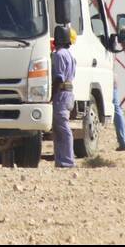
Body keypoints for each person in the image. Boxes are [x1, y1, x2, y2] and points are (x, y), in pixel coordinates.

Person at [51, 25, 76, 168]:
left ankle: (67, 161)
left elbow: (59, 78)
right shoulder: (70, 55)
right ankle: (61, 161)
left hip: (61, 94)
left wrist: (51, 94)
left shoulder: (59, 55)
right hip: (68, 94)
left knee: (63, 129)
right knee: (59, 129)